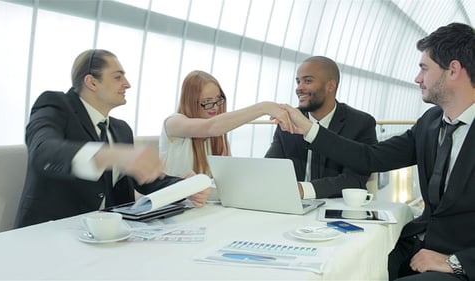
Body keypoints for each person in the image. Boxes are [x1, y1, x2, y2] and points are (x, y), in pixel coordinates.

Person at [277, 23, 474, 281]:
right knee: (342, 267)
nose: (417, 78)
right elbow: (371, 157)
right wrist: (309, 130)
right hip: (419, 245)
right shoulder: (430, 122)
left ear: (454, 70)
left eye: (424, 68)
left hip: (460, 261)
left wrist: (457, 263)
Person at [15, 49, 209, 228]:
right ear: (91, 82)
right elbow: (43, 152)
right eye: (118, 77)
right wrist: (110, 155)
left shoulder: (121, 129)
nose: (127, 84)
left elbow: (143, 180)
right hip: (52, 232)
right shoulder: (55, 105)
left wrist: (183, 187)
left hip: (110, 233)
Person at [265, 56, 378, 199]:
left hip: (335, 209)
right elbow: (270, 167)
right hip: (292, 206)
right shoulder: (288, 119)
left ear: (330, 86)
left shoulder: (361, 123)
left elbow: (354, 180)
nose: (299, 88)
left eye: (308, 81)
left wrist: (302, 190)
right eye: (298, 81)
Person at [159, 70, 292, 178]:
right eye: (207, 101)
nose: (215, 107)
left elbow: (228, 174)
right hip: (174, 204)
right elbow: (211, 127)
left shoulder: (217, 133)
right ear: (190, 102)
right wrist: (263, 108)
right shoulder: (173, 123)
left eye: (218, 99)